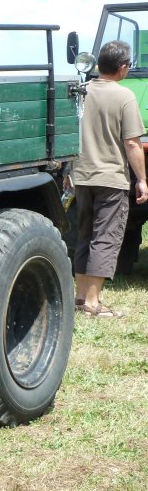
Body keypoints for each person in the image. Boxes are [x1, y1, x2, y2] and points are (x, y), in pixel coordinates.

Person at [71, 39, 148, 317]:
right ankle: (93, 303)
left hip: (82, 176)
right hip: (111, 179)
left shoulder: (81, 91)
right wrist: (141, 178)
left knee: (84, 235)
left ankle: (80, 298)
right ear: (124, 67)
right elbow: (131, 143)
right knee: (106, 238)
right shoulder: (124, 96)